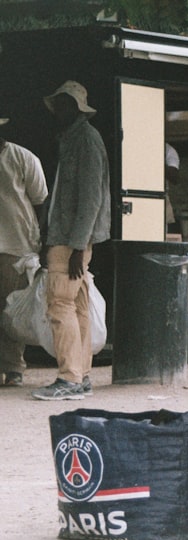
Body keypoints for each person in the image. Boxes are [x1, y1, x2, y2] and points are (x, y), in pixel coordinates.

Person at [32, 81, 110, 401]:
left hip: (70, 239)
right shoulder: (77, 139)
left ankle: (69, 377)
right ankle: (82, 374)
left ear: (74, 107)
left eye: (64, 104)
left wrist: (78, 245)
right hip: (70, 237)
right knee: (77, 307)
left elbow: (90, 199)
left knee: (59, 304)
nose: (59, 110)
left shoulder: (85, 140)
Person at [0, 117, 48, 388]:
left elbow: (41, 201)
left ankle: (13, 367)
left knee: (11, 312)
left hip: (17, 246)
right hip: (15, 246)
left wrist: (40, 244)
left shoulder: (22, 157)